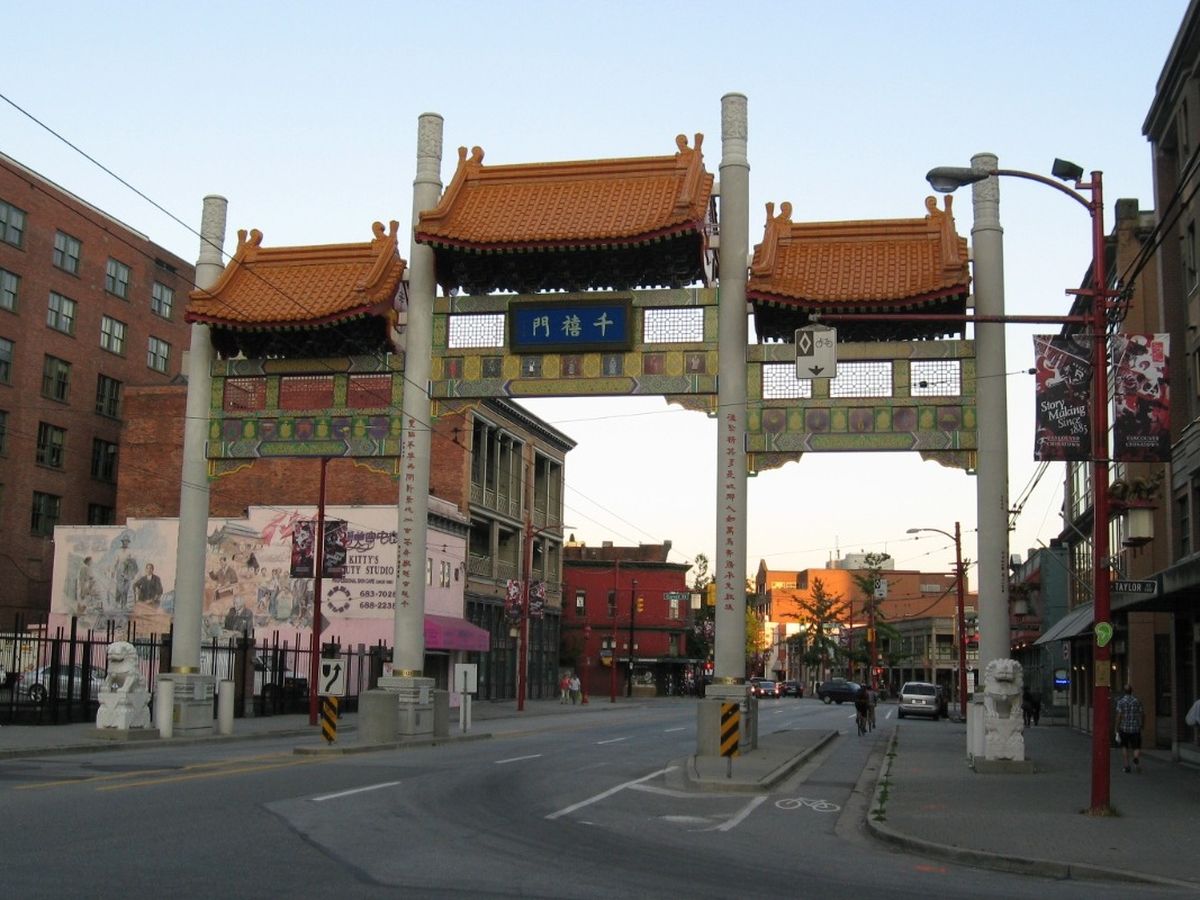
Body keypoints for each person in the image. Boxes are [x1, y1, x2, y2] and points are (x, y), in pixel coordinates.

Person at [1115, 683, 1145, 773]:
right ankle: (1135, 757)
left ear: (1124, 692)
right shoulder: (1137, 701)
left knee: (1124, 746)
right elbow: (1142, 714)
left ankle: (1126, 766)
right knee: (1136, 746)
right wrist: (1142, 724)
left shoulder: (1121, 702)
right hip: (1135, 728)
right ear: (1132, 691)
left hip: (1124, 728)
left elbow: (1119, 716)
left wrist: (1116, 727)